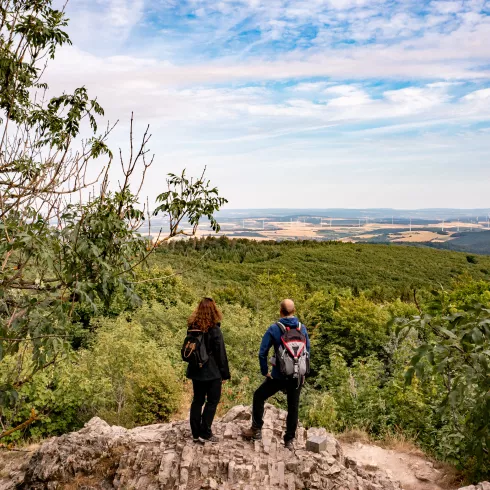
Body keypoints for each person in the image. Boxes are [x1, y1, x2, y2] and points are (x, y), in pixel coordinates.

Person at [242, 299, 310, 449]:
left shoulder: (274, 328)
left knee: (259, 396)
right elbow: (307, 352)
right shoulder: (302, 328)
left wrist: (265, 371)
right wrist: (302, 373)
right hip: (296, 376)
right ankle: (289, 440)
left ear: (280, 311)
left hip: (278, 376)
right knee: (293, 407)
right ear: (294, 310)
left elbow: (262, 353)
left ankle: (256, 429)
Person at [186, 297, 230, 443]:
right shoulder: (215, 330)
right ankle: (205, 432)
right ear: (213, 310)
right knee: (212, 401)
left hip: (196, 370)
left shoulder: (192, 326)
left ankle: (195, 432)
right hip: (212, 372)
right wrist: (224, 374)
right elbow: (221, 354)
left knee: (197, 400)